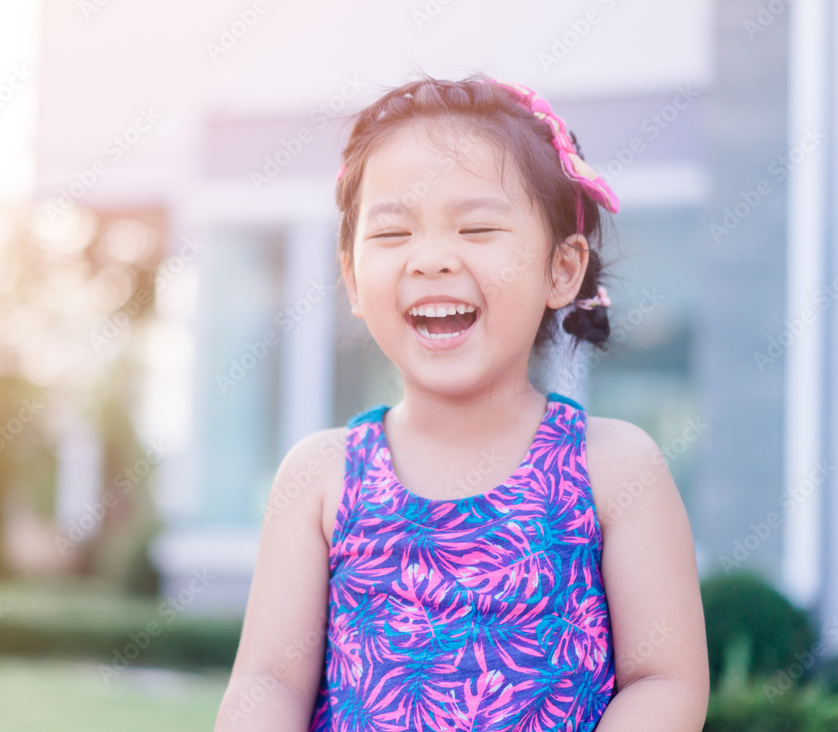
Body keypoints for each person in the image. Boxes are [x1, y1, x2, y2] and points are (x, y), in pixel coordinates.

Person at [214, 73, 709, 731]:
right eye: (393, 235)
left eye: (477, 228)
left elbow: (665, 682)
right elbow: (268, 682)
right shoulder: (321, 477)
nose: (432, 259)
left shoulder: (615, 469)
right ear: (353, 278)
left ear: (561, 270)